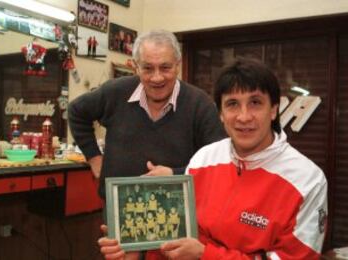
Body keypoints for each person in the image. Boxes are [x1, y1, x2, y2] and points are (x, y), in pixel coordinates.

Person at [98, 58, 328, 259]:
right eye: (232, 104)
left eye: (255, 102)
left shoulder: (308, 180)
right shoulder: (203, 159)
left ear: (274, 109)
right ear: (220, 113)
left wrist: (205, 255)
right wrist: (133, 250)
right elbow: (172, 241)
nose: (244, 117)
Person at [68, 30, 225, 197]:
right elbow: (76, 111)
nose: (157, 78)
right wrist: (94, 158)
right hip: (118, 205)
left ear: (177, 65)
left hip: (175, 208)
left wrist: (176, 174)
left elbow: (217, 162)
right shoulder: (116, 92)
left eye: (165, 68)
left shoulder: (200, 104)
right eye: (148, 68)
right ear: (136, 67)